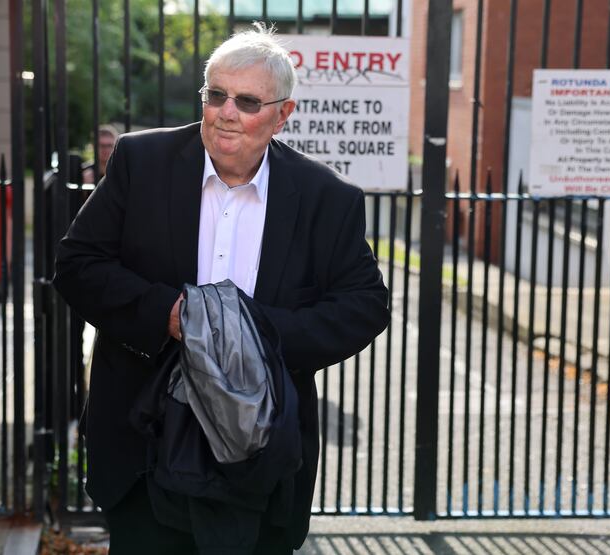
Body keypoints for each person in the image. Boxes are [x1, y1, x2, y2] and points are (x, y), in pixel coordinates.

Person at [53, 23, 389, 554]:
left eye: (248, 101)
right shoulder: (141, 163)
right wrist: (170, 314)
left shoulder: (327, 198)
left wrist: (252, 336)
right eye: (216, 95)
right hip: (146, 445)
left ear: (283, 114)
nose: (226, 112)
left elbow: (365, 306)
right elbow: (77, 264)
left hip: (259, 457)